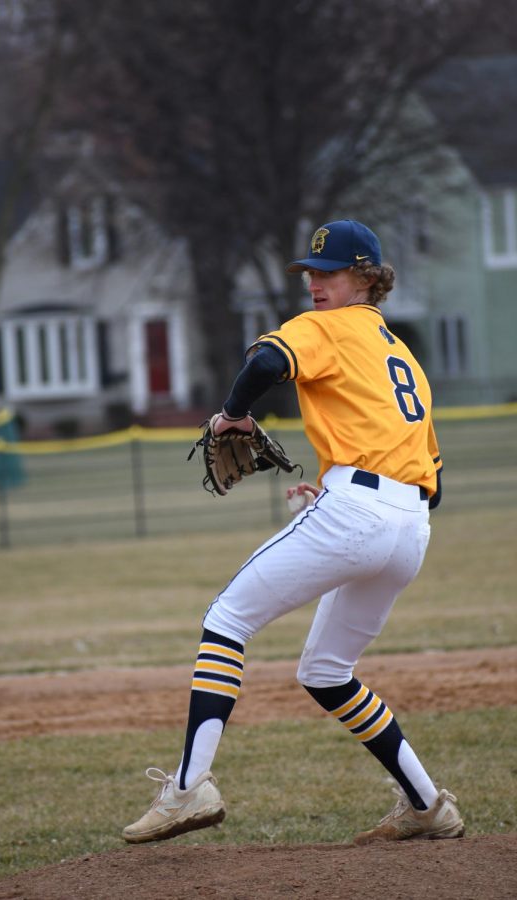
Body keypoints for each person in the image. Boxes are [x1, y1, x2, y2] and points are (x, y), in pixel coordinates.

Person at [123, 219, 464, 846]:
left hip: (357, 516)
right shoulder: (404, 358)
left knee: (226, 620)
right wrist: (342, 489)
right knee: (328, 671)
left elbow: (267, 361)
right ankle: (427, 805)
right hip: (409, 527)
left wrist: (232, 417)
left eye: (329, 272)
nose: (315, 284)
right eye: (310, 273)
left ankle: (187, 788)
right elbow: (432, 485)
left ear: (367, 277)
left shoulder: (326, 328)